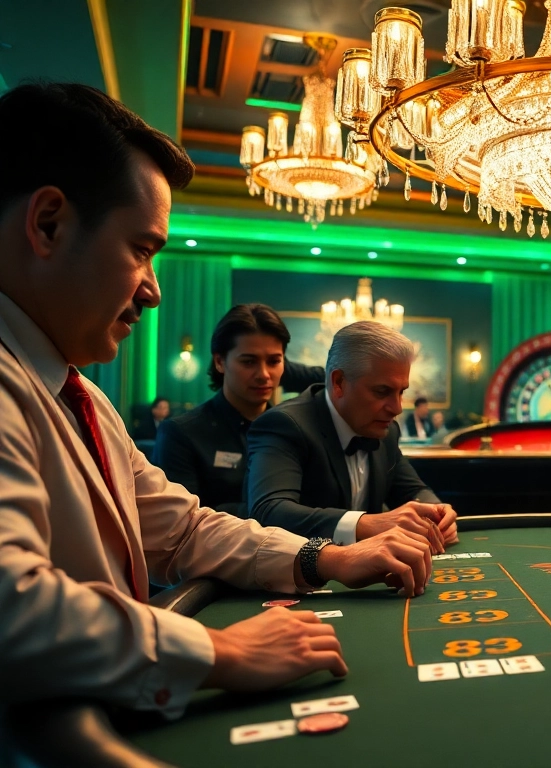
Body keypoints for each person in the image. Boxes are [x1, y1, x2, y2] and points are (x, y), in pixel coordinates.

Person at [0, 82, 436, 722]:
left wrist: (328, 558)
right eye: (142, 250)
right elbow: (12, 606)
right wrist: (219, 650)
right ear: (48, 224)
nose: (152, 290)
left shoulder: (80, 395)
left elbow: (182, 530)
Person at [246, 320, 457, 552]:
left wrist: (437, 512)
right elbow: (269, 512)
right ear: (339, 382)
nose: (397, 408)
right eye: (382, 391)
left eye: (401, 392)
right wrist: (367, 524)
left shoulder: (386, 431)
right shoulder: (285, 424)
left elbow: (412, 490)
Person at [151, 303, 322, 515]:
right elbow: (181, 521)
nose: (264, 374)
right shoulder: (181, 433)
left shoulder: (294, 431)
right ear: (220, 362)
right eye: (249, 362)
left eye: (273, 361)